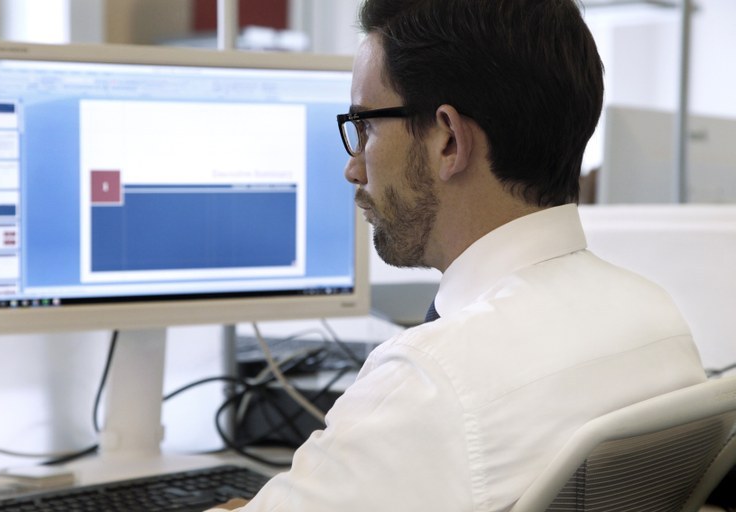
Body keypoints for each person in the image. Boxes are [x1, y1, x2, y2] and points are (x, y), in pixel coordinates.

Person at [210, 0, 706, 510]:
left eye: (365, 127)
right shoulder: (659, 321)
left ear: (448, 140)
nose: (353, 168)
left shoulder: (430, 381)